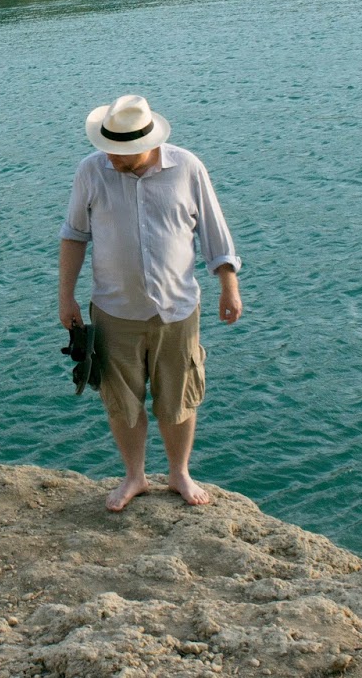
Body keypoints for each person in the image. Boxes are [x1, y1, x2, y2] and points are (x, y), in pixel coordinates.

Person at [58, 94, 243, 512]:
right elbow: (73, 235)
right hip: (114, 309)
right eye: (110, 148)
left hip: (176, 309)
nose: (114, 158)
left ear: (150, 141)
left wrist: (228, 285)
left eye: (123, 152)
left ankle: (179, 472)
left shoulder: (187, 167)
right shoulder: (91, 171)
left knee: (178, 397)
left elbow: (215, 231)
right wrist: (65, 295)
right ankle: (134, 476)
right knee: (121, 401)